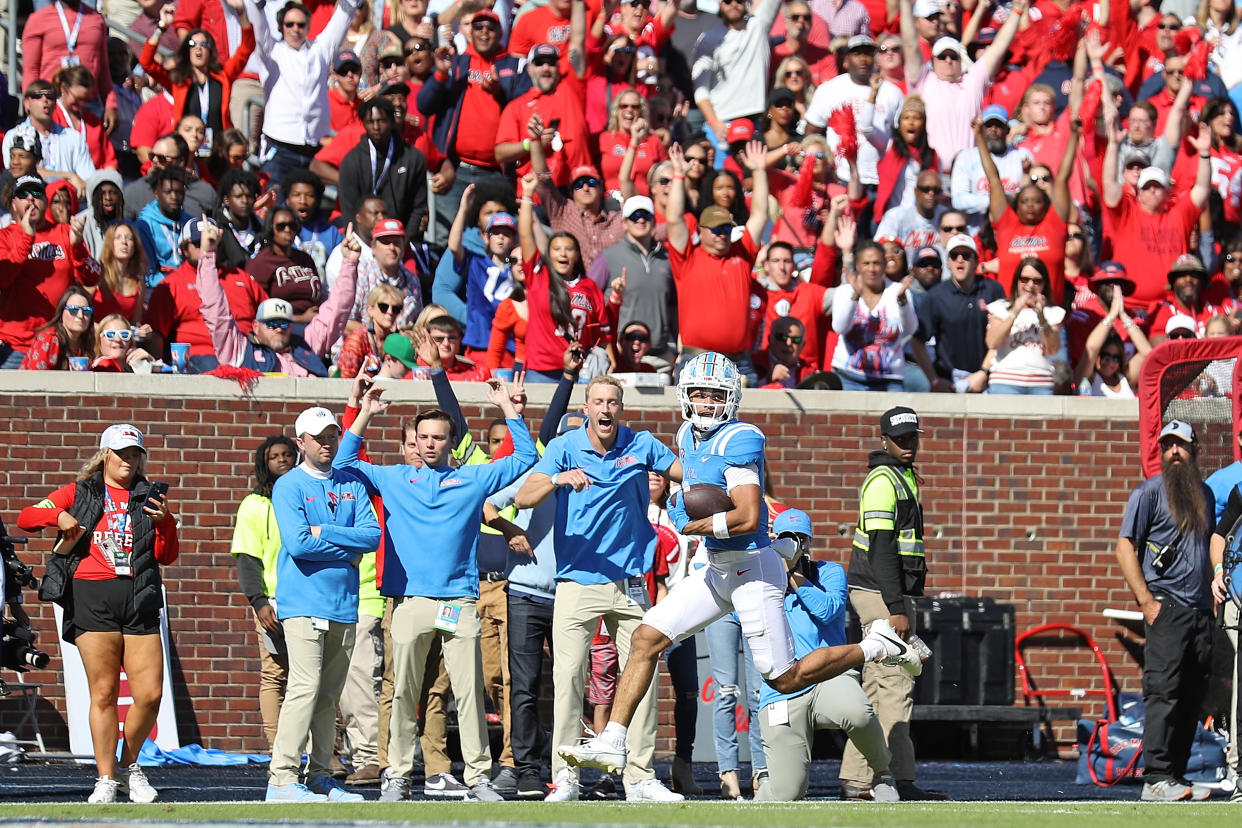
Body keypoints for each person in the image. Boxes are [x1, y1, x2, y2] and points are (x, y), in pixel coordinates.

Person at [557, 355, 921, 790]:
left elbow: (749, 518)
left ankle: (874, 646)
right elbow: (691, 490)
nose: (707, 402)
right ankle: (614, 739)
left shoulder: (741, 437)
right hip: (715, 568)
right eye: (699, 393)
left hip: (752, 568)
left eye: (715, 394)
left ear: (731, 398)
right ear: (685, 395)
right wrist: (680, 502)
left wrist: (696, 523)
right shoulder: (686, 435)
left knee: (785, 676)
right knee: (645, 638)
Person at [335, 377, 536, 803]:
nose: (429, 444)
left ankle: (479, 777)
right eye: (422, 437)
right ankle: (398, 775)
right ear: (412, 441)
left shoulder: (472, 480)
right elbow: (343, 464)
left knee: (468, 694)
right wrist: (365, 411)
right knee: (403, 693)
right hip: (408, 603)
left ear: (450, 442)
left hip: (459, 603)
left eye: (438, 437)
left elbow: (526, 456)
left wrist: (507, 406)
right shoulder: (392, 478)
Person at [511, 375, 683, 802]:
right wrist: (558, 479)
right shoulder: (564, 447)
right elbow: (525, 497)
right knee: (568, 677)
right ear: (585, 408)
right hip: (576, 582)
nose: (606, 409)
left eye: (613, 402)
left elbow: (686, 472)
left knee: (642, 676)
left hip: (630, 583)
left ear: (620, 408)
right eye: (598, 402)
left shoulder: (641, 444)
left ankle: (640, 778)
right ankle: (566, 778)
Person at [18, 424, 178, 803]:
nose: (128, 460)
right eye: (122, 453)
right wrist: (58, 517)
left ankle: (128, 765)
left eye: (135, 453)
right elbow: (26, 516)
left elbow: (167, 555)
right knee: (103, 692)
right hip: (92, 594)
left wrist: (165, 522)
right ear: (105, 454)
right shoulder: (80, 491)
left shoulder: (148, 496)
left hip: (138, 595)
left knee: (150, 695)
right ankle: (105, 777)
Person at [265, 406, 380, 802]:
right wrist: (344, 549)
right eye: (318, 437)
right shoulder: (289, 485)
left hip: (344, 603)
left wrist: (326, 532)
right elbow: (298, 543)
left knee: (329, 695)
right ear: (301, 443)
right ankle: (281, 777)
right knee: (305, 686)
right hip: (302, 602)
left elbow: (371, 537)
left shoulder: (352, 482)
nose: (327, 442)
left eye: (332, 434)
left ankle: (319, 775)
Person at [757, 509, 899, 803]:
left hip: (830, 675)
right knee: (786, 794)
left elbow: (828, 610)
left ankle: (882, 774)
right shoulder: (763, 580)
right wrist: (766, 566)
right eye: (787, 538)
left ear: (809, 541)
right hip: (783, 687)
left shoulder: (830, 572)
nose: (796, 545)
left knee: (857, 712)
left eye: (801, 539)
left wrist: (795, 577)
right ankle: (774, 779)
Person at [839, 406, 940, 801]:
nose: (909, 445)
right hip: (882, 595)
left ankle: (864, 779)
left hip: (887, 594)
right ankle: (888, 778)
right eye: (901, 439)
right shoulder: (884, 481)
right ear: (884, 439)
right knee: (894, 686)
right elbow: (881, 551)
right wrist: (897, 608)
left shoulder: (901, 477)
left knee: (881, 689)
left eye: (913, 437)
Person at [1116, 420, 1215, 802]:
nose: (1174, 452)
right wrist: (1146, 602)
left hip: (1200, 613)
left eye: (1182, 445)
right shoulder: (1148, 493)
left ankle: (1174, 776)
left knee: (1192, 696)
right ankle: (1155, 777)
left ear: (1194, 452)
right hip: (1166, 608)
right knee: (1163, 693)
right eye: (1167, 446)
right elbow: (1125, 546)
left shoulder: (1204, 494)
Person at [196, 217, 360, 376]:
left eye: (284, 322)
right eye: (271, 323)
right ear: (255, 326)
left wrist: (350, 263)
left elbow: (336, 311)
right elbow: (216, 311)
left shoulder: (307, 346)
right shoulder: (238, 350)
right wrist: (208, 254)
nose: (279, 328)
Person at [665, 141, 769, 383]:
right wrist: (679, 175)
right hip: (696, 359)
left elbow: (761, 213)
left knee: (745, 422)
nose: (721, 233)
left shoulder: (741, 254)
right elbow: (673, 218)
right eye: (715, 229)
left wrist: (760, 172)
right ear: (701, 231)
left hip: (739, 362)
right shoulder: (687, 257)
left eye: (725, 228)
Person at [244, 0, 360, 192]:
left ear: (308, 27)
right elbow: (260, 28)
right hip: (279, 148)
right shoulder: (272, 51)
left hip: (313, 150)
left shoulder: (320, 50)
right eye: (289, 24)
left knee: (310, 214)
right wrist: (257, 5)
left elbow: (343, 17)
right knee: (275, 211)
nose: (295, 29)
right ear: (281, 27)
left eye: (301, 24)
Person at [231, 435, 298, 750]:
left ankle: (319, 753)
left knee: (312, 678)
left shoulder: (306, 496)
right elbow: (247, 559)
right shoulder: (254, 505)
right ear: (264, 463)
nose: (283, 460)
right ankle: (278, 750)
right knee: (275, 675)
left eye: (288, 454)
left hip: (310, 602)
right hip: (272, 603)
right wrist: (259, 602)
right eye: (275, 456)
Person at [0, 175, 97, 370]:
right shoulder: (4, 237)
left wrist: (77, 247)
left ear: (45, 202)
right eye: (23, 194)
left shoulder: (64, 232)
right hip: (14, 346)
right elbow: (2, 278)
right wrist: (27, 238)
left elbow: (93, 276)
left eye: (37, 194)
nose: (30, 199)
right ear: (13, 203)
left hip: (60, 344)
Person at [138, 3, 256, 136]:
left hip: (218, 150)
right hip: (188, 151)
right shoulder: (179, 81)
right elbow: (146, 62)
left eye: (204, 44)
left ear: (210, 50)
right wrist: (162, 26)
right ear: (186, 50)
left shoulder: (223, 75)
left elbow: (247, 46)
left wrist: (241, 12)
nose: (198, 48)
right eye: (192, 44)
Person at [805, 35, 903, 188]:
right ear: (846, 60)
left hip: (883, 179)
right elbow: (811, 132)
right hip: (841, 177)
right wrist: (825, 167)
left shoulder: (892, 92)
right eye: (857, 54)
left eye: (868, 54)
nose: (863, 59)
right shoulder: (829, 90)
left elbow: (900, 136)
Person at [690, 0, 782, 162]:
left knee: (753, 178)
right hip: (723, 122)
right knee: (722, 179)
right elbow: (700, 89)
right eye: (727, 1)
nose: (733, 4)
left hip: (756, 120)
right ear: (720, 4)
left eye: (739, 0)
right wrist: (714, 122)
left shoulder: (758, 26)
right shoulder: (708, 39)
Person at [589, 195, 675, 360]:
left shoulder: (667, 259)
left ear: (654, 222)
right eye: (635, 216)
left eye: (646, 216)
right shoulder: (607, 257)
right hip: (620, 355)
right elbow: (588, 301)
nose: (641, 220)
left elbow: (673, 308)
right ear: (624, 223)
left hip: (660, 355)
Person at [830, 238, 918, 392]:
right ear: (857, 265)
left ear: (884, 265)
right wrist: (856, 296)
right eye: (866, 263)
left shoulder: (899, 291)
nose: (872, 269)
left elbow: (910, 329)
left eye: (877, 263)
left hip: (889, 380)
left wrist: (902, 301)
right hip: (848, 377)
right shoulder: (844, 291)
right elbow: (840, 327)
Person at [338, 98, 428, 244]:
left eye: (381, 121)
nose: (376, 127)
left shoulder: (413, 157)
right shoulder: (352, 160)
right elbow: (349, 209)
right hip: (363, 243)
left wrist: (403, 243)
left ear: (392, 122)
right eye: (370, 122)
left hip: (402, 241)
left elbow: (418, 207)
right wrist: (362, 245)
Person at [984, 258, 1065, 395]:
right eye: (1025, 279)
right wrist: (1014, 312)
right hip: (1005, 382)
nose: (1030, 285)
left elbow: (1053, 349)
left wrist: (1042, 318)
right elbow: (992, 342)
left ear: (1044, 284)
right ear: (1017, 281)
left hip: (1041, 383)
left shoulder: (1053, 312)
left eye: (1037, 281)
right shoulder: (1000, 307)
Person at [246, 207, 324, 327]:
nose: (288, 230)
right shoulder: (260, 263)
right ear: (271, 228)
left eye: (292, 226)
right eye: (281, 226)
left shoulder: (305, 259)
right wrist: (300, 318)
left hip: (316, 325)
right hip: (281, 328)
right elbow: (256, 309)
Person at [20, 286, 96, 370]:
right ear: (61, 312)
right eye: (73, 310)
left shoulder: (86, 342)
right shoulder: (49, 338)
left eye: (86, 311)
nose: (80, 315)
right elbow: (36, 378)